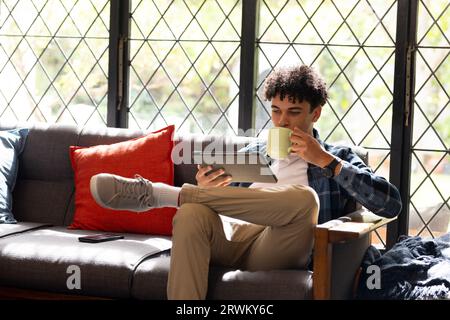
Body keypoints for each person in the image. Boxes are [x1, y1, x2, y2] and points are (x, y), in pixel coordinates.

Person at [89, 65, 402, 300]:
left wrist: (325, 162)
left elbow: (390, 204)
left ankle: (165, 195)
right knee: (192, 213)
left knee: (305, 199)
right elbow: (227, 210)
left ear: (316, 113)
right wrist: (209, 189)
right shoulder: (250, 153)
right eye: (276, 112)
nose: (282, 122)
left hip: (280, 247)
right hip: (232, 237)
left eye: (294, 112)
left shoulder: (335, 156)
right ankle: (185, 198)